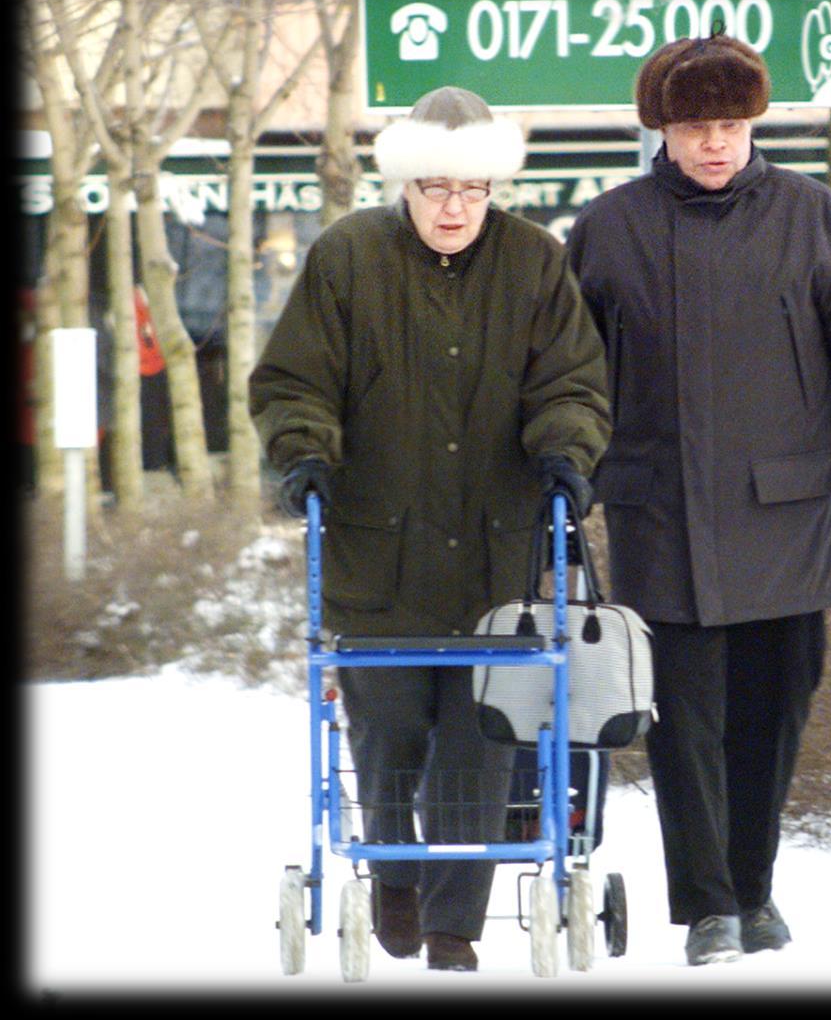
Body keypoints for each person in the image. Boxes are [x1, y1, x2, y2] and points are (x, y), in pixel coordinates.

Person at [565, 32, 831, 966]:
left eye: (728, 124)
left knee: (772, 715)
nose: (714, 144)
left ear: (753, 123)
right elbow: (571, 375)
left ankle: (754, 892)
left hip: (789, 514)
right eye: (695, 128)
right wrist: (565, 462)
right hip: (660, 516)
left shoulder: (818, 219)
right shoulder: (609, 228)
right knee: (683, 723)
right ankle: (711, 907)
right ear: (664, 132)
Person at [249, 86, 611, 973]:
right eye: (437, 188)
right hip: (381, 546)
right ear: (405, 185)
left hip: (500, 552)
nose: (455, 208)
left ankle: (456, 925)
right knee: (391, 728)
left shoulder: (534, 263)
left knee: (481, 738)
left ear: (495, 189)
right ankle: (394, 875)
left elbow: (570, 381)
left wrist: (567, 451)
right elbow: (295, 378)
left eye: (474, 190)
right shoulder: (346, 257)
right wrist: (303, 453)